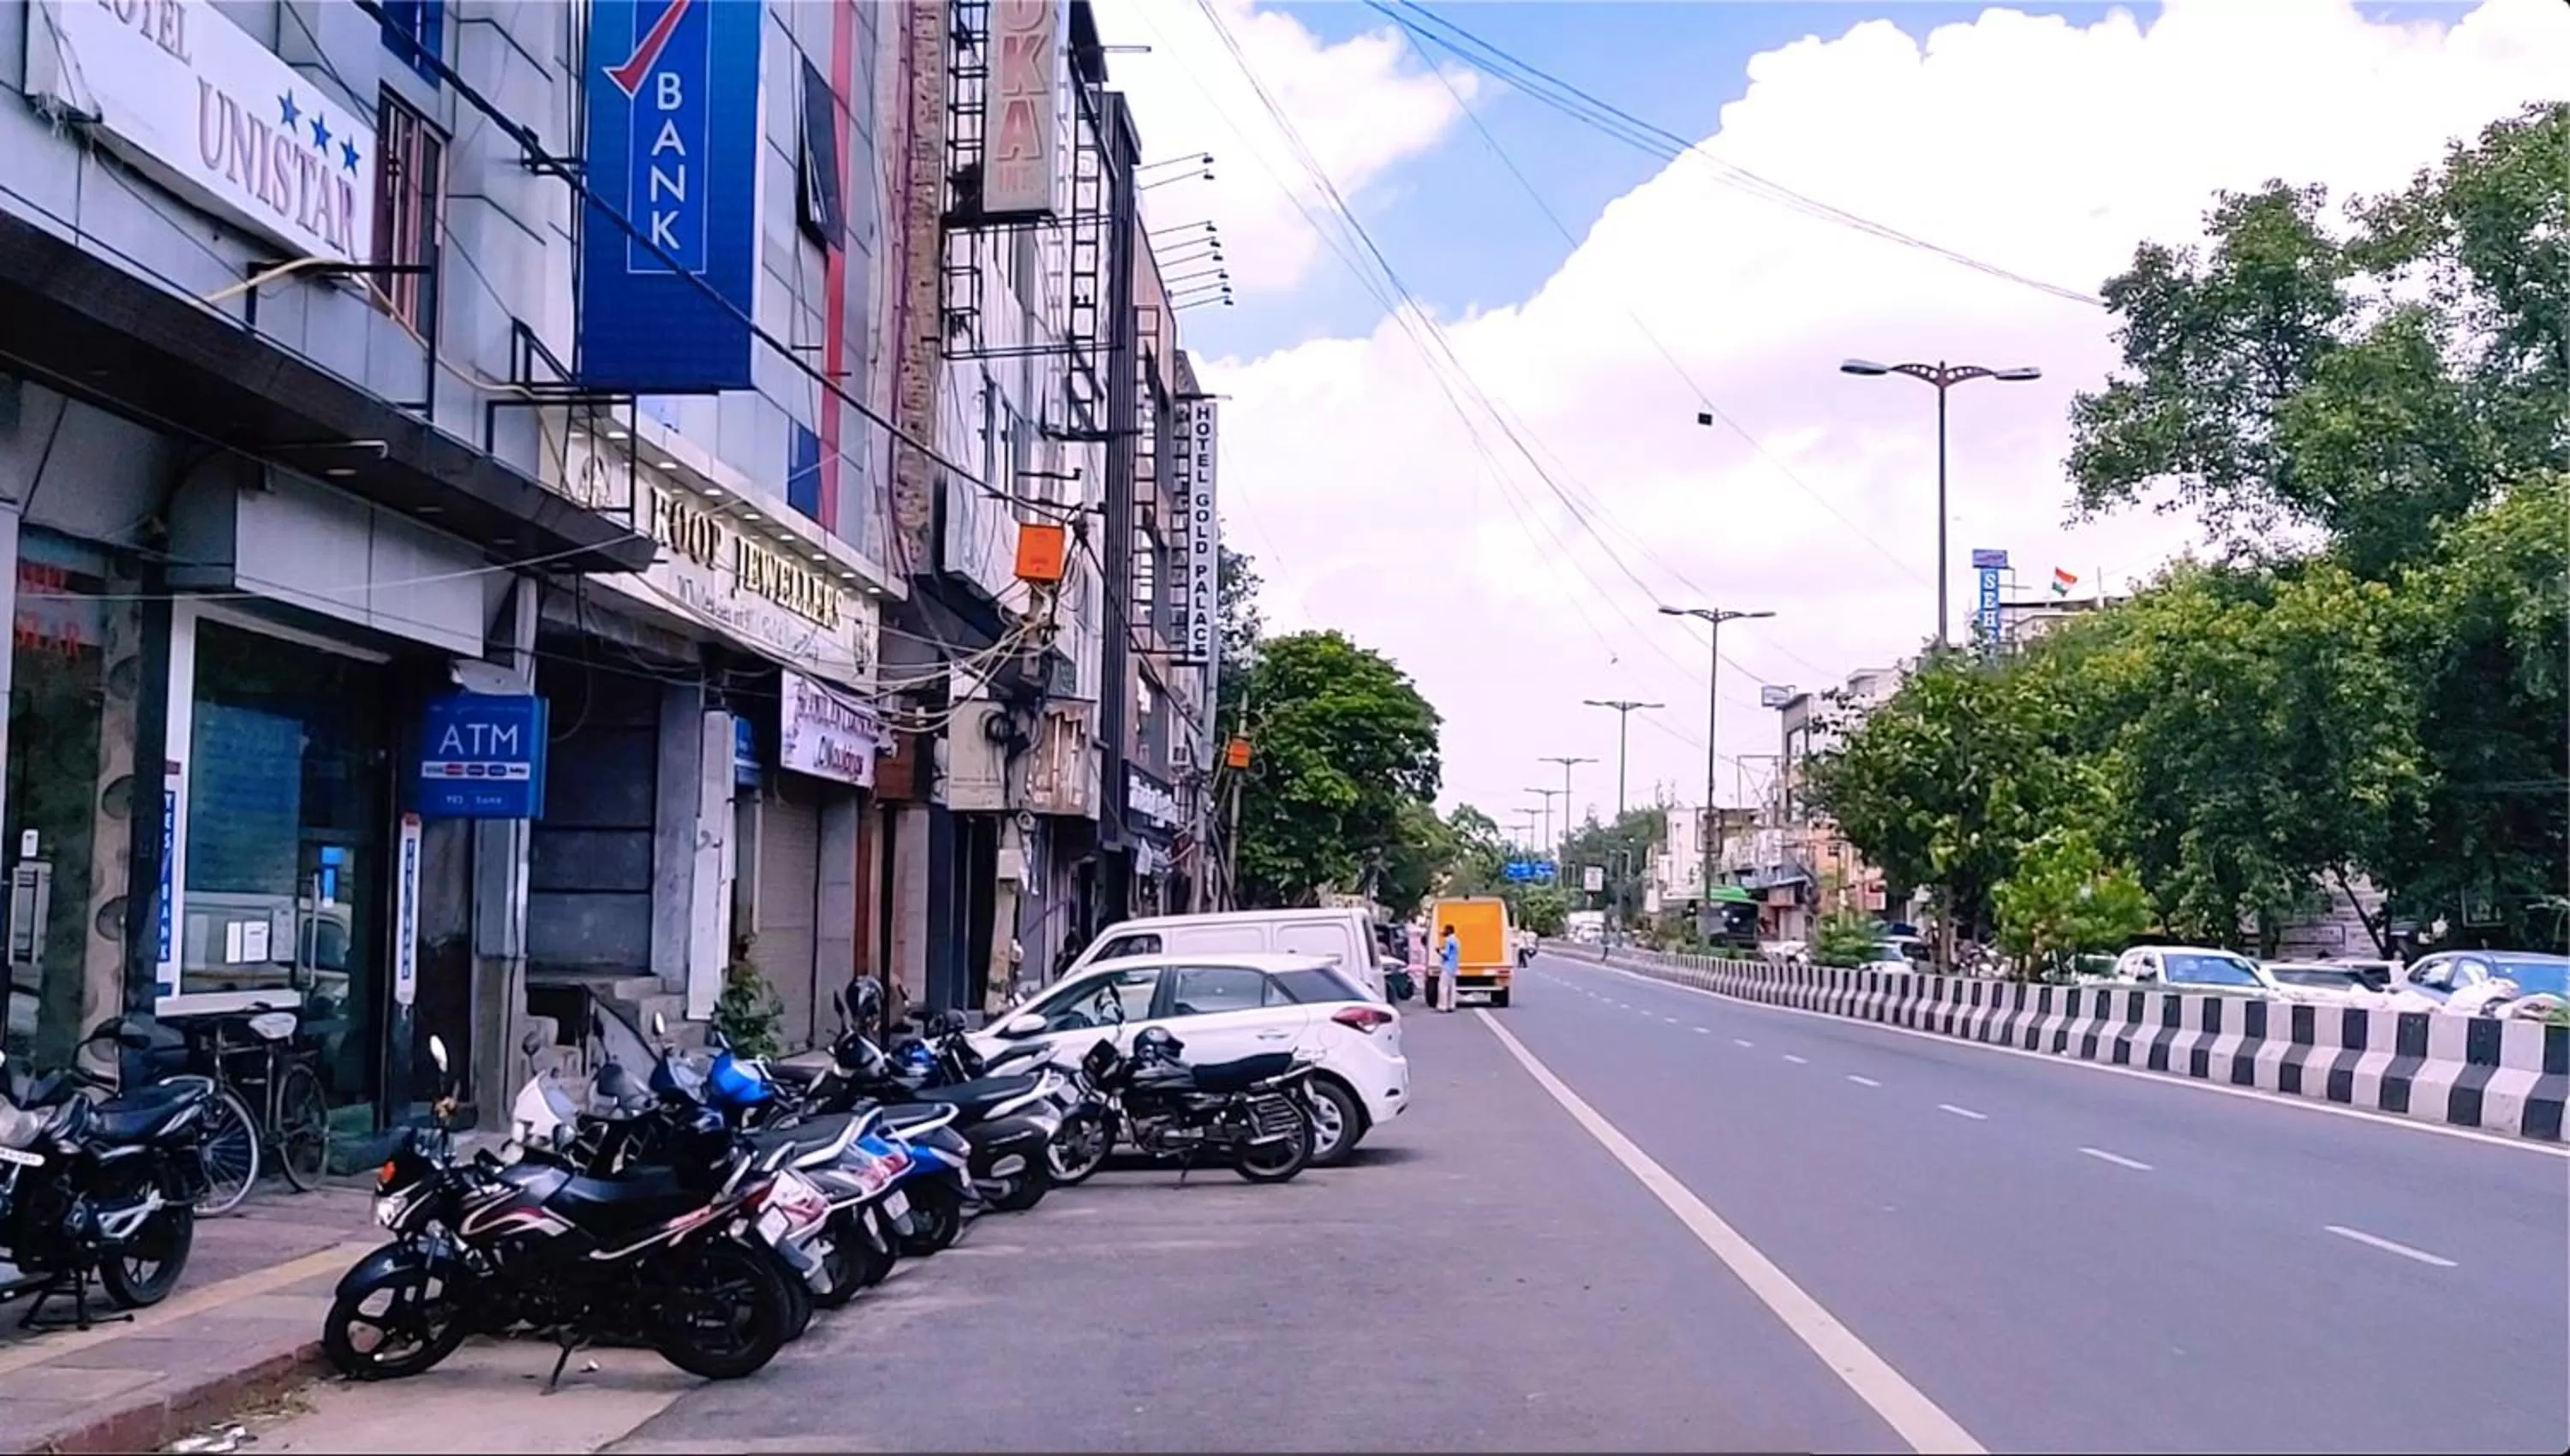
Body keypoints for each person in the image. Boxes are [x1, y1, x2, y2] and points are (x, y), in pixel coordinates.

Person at [1437, 923, 1461, 1012]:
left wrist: (1439, 951)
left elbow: (1446, 954)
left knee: (1443, 986)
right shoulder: (1457, 941)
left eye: (1446, 930)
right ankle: (1451, 1005)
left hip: (1447, 966)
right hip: (1454, 967)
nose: (1444, 931)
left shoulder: (1448, 941)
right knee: (1452, 987)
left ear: (1449, 931)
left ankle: (1442, 1006)